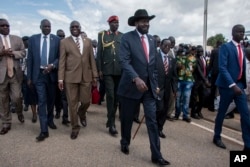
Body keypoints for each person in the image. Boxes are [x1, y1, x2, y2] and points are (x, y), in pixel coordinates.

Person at [117, 9, 170, 165]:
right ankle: (125, 142)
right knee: (126, 120)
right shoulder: (127, 38)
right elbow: (124, 61)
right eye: (142, 21)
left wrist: (156, 85)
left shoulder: (153, 40)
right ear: (136, 23)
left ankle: (156, 155)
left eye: (147, 21)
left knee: (152, 121)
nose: (146, 23)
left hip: (149, 89)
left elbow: (153, 66)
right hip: (130, 87)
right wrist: (136, 78)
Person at [58, 20, 98, 140]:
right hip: (70, 77)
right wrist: (60, 79)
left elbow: (92, 59)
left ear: (80, 28)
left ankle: (82, 113)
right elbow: (62, 61)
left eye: (77, 26)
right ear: (70, 29)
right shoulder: (64, 42)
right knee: (72, 104)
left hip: (86, 76)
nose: (75, 28)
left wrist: (94, 76)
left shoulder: (88, 41)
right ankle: (75, 127)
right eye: (72, 26)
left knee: (86, 101)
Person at [213, 24, 250, 152]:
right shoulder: (225, 47)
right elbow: (222, 68)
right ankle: (217, 136)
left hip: (240, 85)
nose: (242, 34)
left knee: (245, 115)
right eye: (239, 32)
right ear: (233, 33)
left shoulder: (243, 49)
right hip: (227, 86)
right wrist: (232, 85)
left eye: (243, 32)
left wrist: (241, 84)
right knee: (222, 112)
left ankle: (248, 144)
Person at [27, 19, 60, 141]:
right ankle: (44, 130)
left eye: (49, 26)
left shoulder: (56, 39)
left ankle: (50, 120)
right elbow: (29, 59)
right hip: (39, 75)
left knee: (51, 100)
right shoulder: (33, 39)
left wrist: (53, 65)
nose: (47, 28)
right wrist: (29, 77)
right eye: (45, 26)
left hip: (51, 75)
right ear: (40, 27)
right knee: (42, 101)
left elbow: (59, 57)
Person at [96, 15, 123, 136]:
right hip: (107, 71)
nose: (116, 25)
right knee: (110, 96)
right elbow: (99, 54)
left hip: (119, 71)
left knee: (117, 98)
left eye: (117, 23)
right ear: (109, 24)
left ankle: (110, 119)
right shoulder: (102, 35)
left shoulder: (122, 36)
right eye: (113, 23)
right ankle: (112, 124)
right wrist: (99, 70)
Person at [0, 18, 25, 135]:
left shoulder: (17, 39)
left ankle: (19, 112)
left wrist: (12, 53)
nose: (6, 27)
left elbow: (23, 52)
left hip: (15, 74)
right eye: (3, 26)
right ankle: (6, 122)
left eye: (7, 25)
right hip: (2, 75)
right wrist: (2, 53)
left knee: (17, 97)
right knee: (3, 99)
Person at [156, 39, 177, 138]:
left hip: (167, 89)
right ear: (161, 45)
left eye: (169, 47)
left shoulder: (171, 60)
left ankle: (160, 128)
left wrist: (175, 89)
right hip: (157, 89)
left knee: (164, 110)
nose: (167, 48)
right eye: (165, 46)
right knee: (159, 109)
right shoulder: (155, 57)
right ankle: (154, 126)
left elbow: (173, 76)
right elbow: (151, 73)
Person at [174, 44, 196, 123]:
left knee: (186, 98)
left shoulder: (193, 59)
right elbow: (177, 67)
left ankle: (185, 115)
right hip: (180, 80)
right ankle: (177, 114)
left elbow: (193, 70)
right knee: (178, 98)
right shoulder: (179, 58)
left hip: (188, 80)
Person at [190, 45, 210, 119]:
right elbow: (199, 70)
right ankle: (193, 113)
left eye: (202, 51)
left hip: (203, 81)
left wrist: (206, 78)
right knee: (194, 98)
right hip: (197, 81)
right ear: (196, 52)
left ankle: (198, 111)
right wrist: (205, 80)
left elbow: (206, 68)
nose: (200, 53)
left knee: (203, 97)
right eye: (199, 51)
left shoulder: (204, 58)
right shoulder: (195, 59)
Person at [21, 36, 38, 123]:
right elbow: (23, 64)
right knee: (32, 97)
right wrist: (24, 76)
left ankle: (39, 111)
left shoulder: (39, 50)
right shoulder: (25, 52)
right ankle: (34, 114)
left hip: (39, 77)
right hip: (29, 77)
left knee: (41, 96)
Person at [207, 40, 222, 112]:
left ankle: (211, 106)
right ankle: (220, 106)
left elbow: (211, 63)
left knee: (213, 89)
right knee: (221, 90)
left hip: (215, 73)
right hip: (222, 73)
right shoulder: (224, 50)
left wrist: (207, 73)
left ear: (216, 44)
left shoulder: (214, 51)